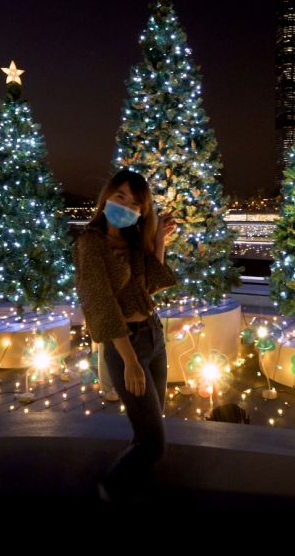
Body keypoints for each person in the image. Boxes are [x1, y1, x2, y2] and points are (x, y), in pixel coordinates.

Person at [74, 170, 177, 502]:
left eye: (135, 203)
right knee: (153, 444)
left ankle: (136, 492)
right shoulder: (91, 243)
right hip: (126, 345)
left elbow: (150, 284)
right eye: (121, 197)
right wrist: (130, 360)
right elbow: (100, 303)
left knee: (146, 430)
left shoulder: (131, 242)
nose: (127, 206)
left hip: (153, 335)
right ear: (106, 197)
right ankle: (109, 490)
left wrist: (159, 241)